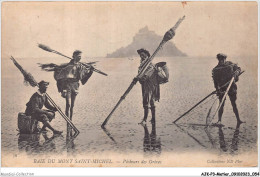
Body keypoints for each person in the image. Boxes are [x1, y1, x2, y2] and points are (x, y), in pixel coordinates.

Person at [54, 50, 93, 120]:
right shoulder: (67, 65)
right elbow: (58, 74)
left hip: (75, 86)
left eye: (80, 57)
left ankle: (71, 120)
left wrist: (91, 71)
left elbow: (84, 77)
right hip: (67, 85)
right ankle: (67, 120)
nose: (79, 58)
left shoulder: (81, 66)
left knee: (72, 105)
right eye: (78, 56)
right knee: (68, 104)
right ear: (73, 56)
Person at [212, 53, 244, 125]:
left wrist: (236, 72)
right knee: (221, 104)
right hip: (222, 88)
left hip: (231, 86)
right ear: (218, 59)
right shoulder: (216, 69)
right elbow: (215, 82)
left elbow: (238, 68)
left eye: (223, 59)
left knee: (234, 103)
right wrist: (218, 90)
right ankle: (219, 120)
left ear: (225, 59)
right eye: (220, 59)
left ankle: (238, 120)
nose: (222, 61)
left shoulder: (230, 64)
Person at [135, 48, 160, 124]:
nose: (141, 56)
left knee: (146, 100)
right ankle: (153, 119)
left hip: (150, 84)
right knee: (151, 101)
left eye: (143, 55)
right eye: (140, 55)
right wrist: (138, 78)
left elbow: (148, 73)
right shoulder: (143, 63)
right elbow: (141, 74)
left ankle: (145, 119)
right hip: (145, 84)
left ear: (146, 54)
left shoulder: (149, 63)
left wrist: (141, 78)